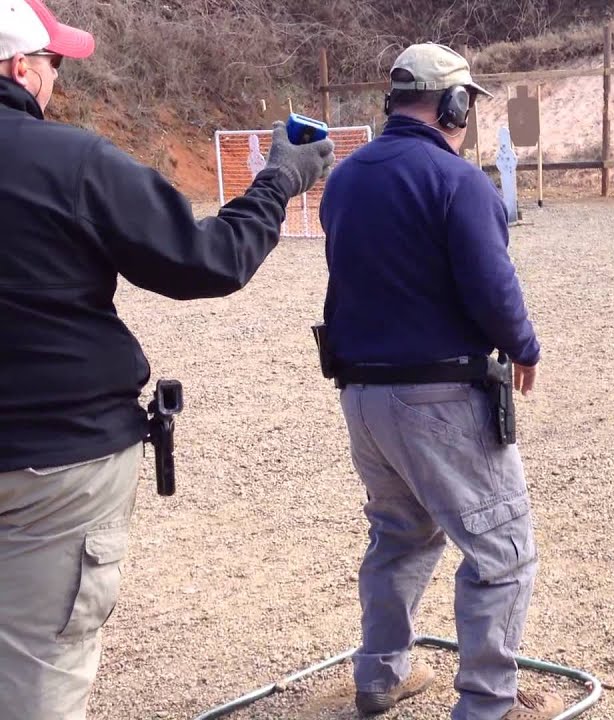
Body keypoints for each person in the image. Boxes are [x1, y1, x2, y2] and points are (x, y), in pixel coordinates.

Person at [0, 1, 335, 717]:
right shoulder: (72, 162)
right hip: (58, 464)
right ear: (17, 68)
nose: (56, 78)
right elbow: (207, 261)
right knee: (37, 678)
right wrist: (279, 180)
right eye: (53, 63)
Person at [318, 43, 558, 719]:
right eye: (467, 105)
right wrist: (524, 348)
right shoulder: (458, 182)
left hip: (362, 396)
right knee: (502, 551)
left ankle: (380, 677)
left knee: (399, 535)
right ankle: (487, 704)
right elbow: (491, 285)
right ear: (454, 105)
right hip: (439, 395)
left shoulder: (346, 178)